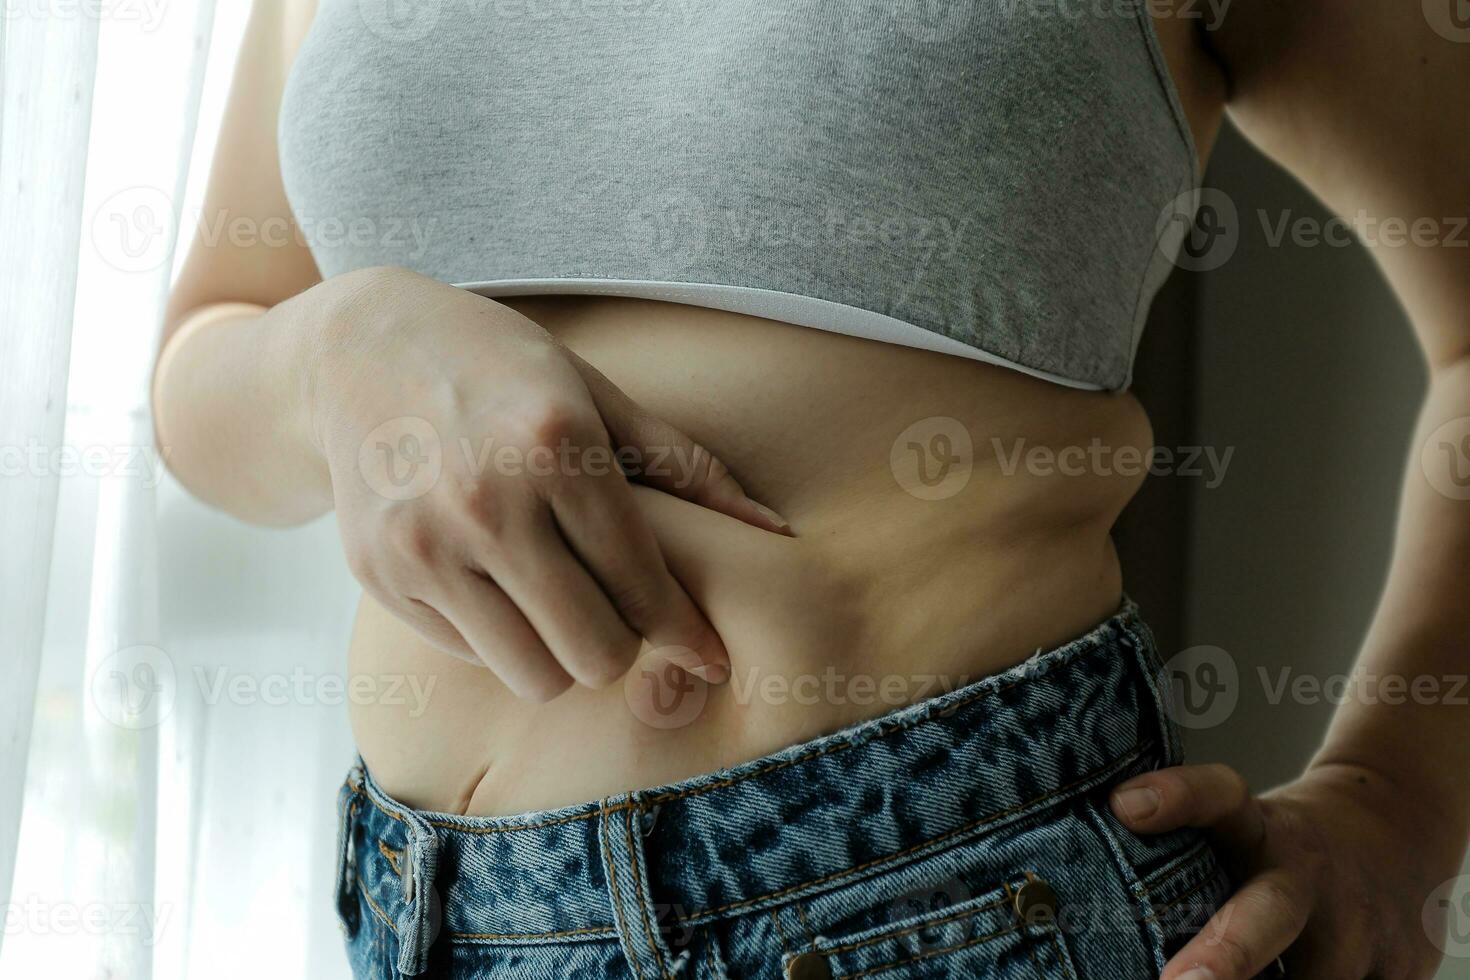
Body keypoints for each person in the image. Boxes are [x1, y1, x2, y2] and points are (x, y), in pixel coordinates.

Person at [154, 0, 1470, 976]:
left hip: (954, 901)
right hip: (431, 912)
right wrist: (339, 347)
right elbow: (206, 364)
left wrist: (1393, 801)